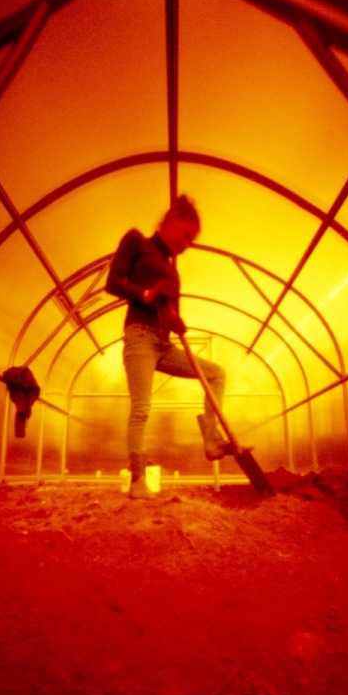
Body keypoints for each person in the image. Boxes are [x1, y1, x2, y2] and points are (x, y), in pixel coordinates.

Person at [105, 195, 234, 499]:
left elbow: (171, 315)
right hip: (139, 337)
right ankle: (138, 481)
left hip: (164, 345)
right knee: (141, 408)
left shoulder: (174, 273)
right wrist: (147, 294)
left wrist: (176, 321)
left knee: (216, 374)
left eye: (192, 240)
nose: (187, 244)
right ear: (172, 219)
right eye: (186, 235)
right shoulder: (136, 242)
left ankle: (211, 438)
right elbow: (113, 283)